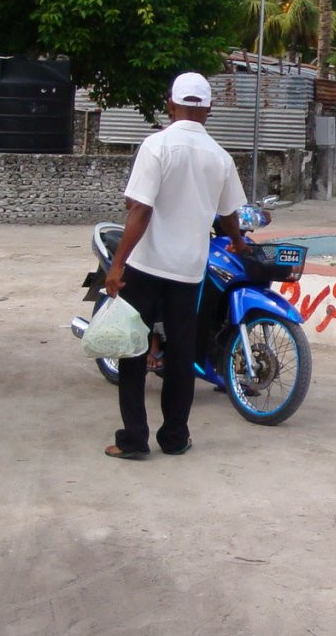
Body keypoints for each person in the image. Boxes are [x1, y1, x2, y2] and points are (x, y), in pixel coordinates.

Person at [101, 71, 248, 461]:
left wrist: (117, 265)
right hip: (188, 272)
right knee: (182, 356)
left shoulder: (157, 146)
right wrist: (237, 240)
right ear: (209, 109)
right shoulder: (220, 157)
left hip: (147, 266)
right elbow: (230, 213)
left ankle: (134, 440)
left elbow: (139, 209)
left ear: (171, 103)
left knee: (133, 351)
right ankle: (175, 438)